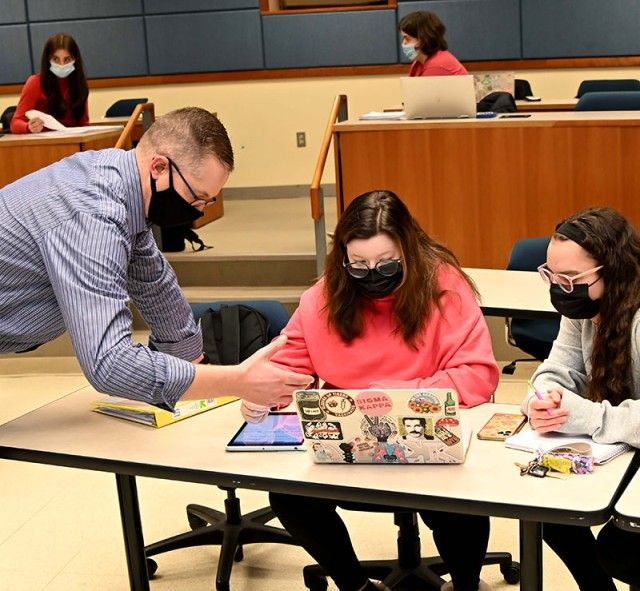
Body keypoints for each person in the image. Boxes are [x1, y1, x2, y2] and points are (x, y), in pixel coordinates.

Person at [242, 190, 499, 591]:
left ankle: (466, 584)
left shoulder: (446, 288)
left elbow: (478, 375)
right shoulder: (325, 297)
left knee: (460, 503)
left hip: (429, 439)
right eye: (359, 263)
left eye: (386, 262)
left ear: (409, 250)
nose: (372, 272)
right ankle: (355, 586)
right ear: (343, 257)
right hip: (349, 443)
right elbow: (289, 366)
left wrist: (399, 393)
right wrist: (263, 390)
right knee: (289, 497)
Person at [0, 106, 312, 409]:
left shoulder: (121, 187)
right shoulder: (95, 213)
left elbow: (155, 286)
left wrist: (195, 370)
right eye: (197, 198)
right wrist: (234, 381)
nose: (199, 211)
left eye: (209, 201)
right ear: (159, 167)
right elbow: (109, 363)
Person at [522, 207, 640, 591]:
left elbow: (591, 416)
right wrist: (541, 399)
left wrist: (587, 417)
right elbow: (554, 369)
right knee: (546, 509)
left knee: (624, 550)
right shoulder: (584, 309)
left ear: (615, 270)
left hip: (625, 441)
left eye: (571, 278)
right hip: (618, 443)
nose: (560, 288)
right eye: (552, 276)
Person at [11, 32, 89, 134]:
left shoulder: (79, 83)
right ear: (48, 59)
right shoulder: (35, 82)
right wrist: (28, 127)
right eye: (55, 59)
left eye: (67, 59)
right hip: (44, 145)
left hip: (72, 142)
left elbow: (84, 124)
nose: (62, 65)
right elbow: (15, 123)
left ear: (75, 59)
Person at [398, 11, 468, 77]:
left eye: (407, 38)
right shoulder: (418, 62)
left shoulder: (437, 65)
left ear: (424, 38)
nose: (403, 43)